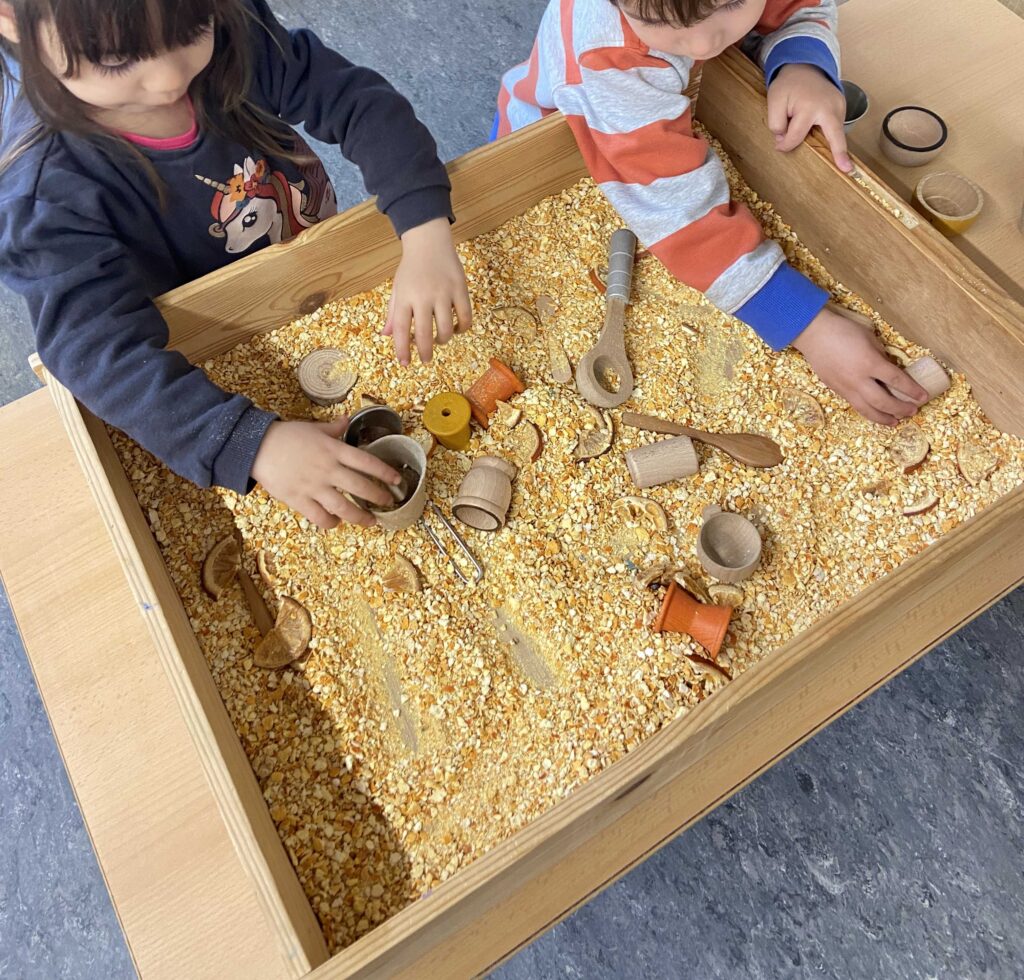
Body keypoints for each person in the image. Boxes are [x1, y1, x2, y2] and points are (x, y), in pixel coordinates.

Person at [0, 0, 472, 529]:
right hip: (207, 316)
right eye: (117, 59)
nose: (169, 78)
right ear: (11, 18)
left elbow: (357, 102)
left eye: (191, 28)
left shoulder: (227, 23)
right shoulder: (42, 193)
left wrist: (425, 233)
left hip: (304, 237)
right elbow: (97, 352)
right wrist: (252, 444)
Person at [497, 0, 928, 425]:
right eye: (654, 19)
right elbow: (676, 211)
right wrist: (804, 323)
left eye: (731, 3)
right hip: (566, 145)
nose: (704, 44)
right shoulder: (607, 57)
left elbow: (802, 6)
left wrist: (802, 62)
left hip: (656, 109)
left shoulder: (686, 32)